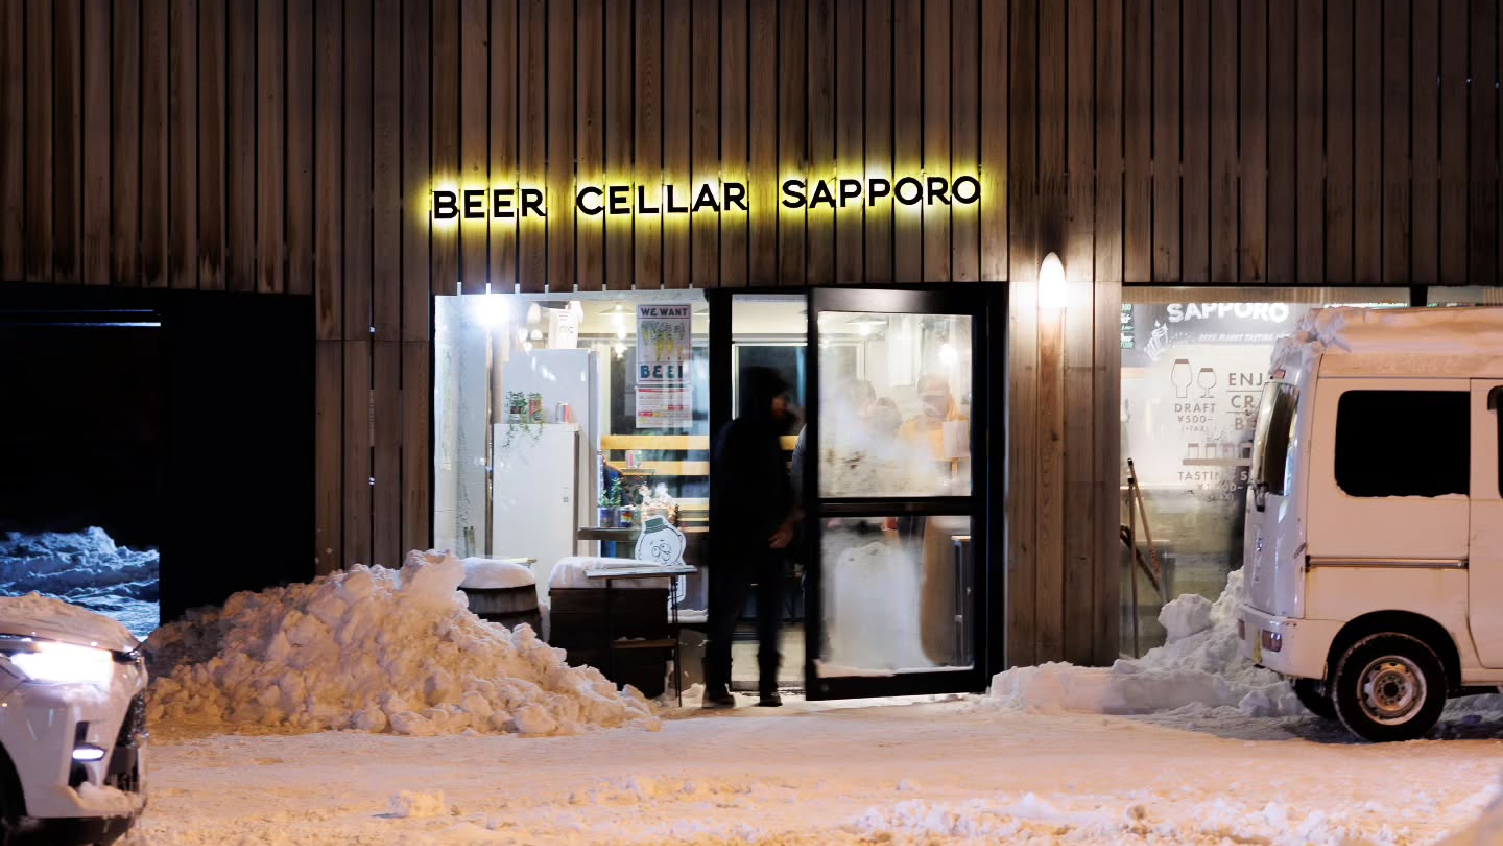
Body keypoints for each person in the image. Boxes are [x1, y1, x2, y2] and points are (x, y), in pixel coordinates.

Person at [704, 367, 797, 708]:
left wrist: (786, 525)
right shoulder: (739, 435)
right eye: (779, 398)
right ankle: (718, 684)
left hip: (761, 539)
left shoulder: (760, 435)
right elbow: (736, 491)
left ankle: (764, 685)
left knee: (766, 615)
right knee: (731, 614)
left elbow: (780, 490)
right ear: (762, 398)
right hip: (740, 540)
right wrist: (778, 525)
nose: (784, 405)